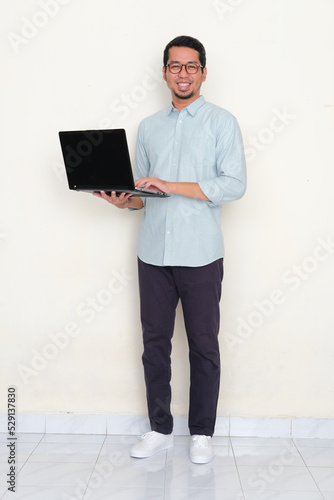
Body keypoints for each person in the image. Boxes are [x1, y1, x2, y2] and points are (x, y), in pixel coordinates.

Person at [94, 35, 246, 464]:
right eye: (175, 66)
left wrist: (170, 184)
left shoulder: (222, 123)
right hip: (153, 255)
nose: (183, 73)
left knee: (203, 344)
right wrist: (125, 200)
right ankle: (159, 427)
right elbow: (144, 190)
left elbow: (234, 185)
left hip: (201, 254)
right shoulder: (149, 127)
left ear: (202, 72)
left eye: (191, 66)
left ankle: (201, 432)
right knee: (154, 343)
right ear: (164, 72)